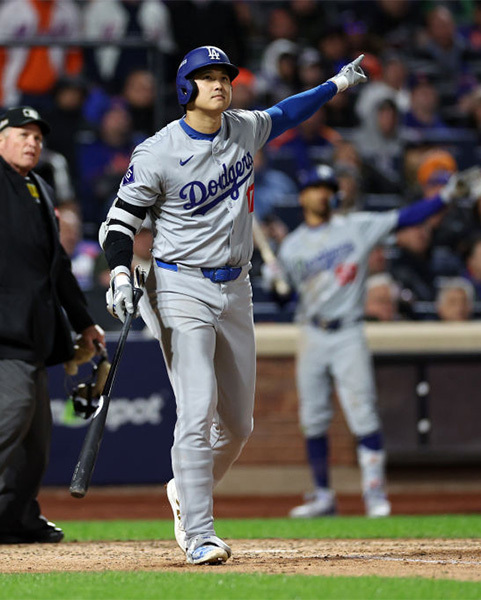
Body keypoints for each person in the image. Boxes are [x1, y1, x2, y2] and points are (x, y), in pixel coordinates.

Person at [97, 47, 368, 565]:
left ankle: (185, 488)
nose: (219, 84)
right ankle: (199, 533)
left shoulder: (242, 128)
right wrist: (118, 275)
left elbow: (287, 112)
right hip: (178, 286)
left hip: (235, 288)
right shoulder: (158, 152)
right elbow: (118, 224)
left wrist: (336, 84)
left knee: (238, 426)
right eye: (207, 77)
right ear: (184, 88)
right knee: (195, 410)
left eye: (224, 76)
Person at [0, 106, 105, 545]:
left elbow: (57, 267)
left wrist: (84, 322)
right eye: (22, 134)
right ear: (0, 141)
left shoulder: (38, 188)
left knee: (35, 435)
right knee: (11, 407)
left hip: (30, 330)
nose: (32, 142)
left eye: (37, 136)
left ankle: (15, 517)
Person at [277, 162, 479, 520]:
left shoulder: (354, 227)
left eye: (326, 187)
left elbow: (405, 218)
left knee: (364, 413)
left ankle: (374, 496)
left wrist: (444, 197)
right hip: (311, 331)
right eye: (314, 187)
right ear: (303, 195)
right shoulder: (291, 247)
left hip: (350, 330)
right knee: (313, 418)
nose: (321, 193)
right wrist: (275, 284)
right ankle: (323, 495)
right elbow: (284, 297)